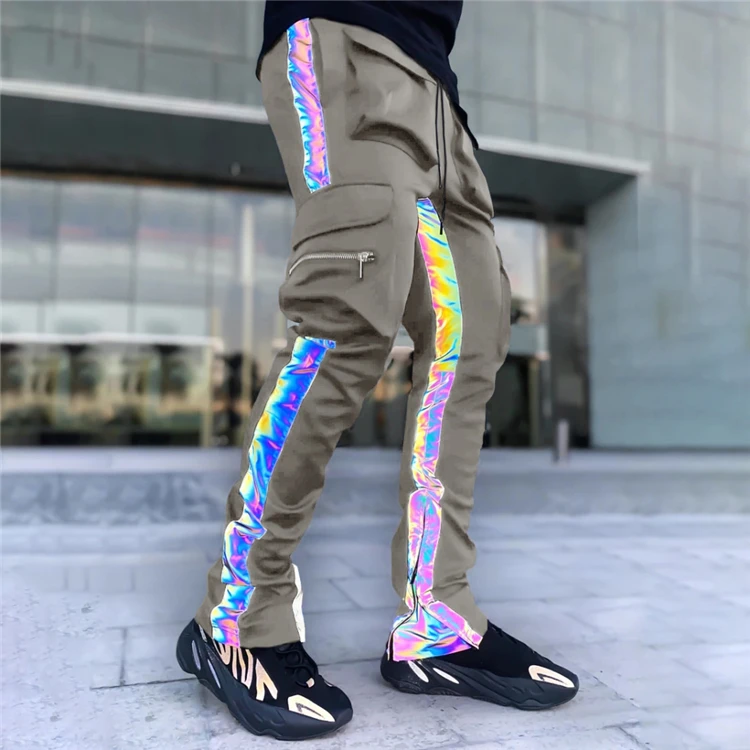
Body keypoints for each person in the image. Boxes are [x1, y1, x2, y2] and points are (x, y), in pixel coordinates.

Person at [176, 1, 579, 740]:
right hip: (344, 34)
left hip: (437, 88)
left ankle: (437, 621)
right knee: (348, 312)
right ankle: (238, 615)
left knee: (472, 335)